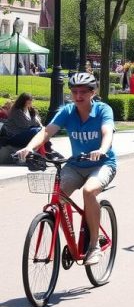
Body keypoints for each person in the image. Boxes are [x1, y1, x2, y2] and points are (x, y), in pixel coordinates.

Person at [15, 72, 116, 266]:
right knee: (58, 195)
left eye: (83, 92)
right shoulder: (68, 111)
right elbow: (46, 131)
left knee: (89, 192)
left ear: (92, 93)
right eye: (74, 92)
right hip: (76, 164)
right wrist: (30, 147)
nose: (78, 96)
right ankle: (71, 240)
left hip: (102, 163)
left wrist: (102, 149)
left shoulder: (103, 110)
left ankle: (94, 245)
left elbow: (107, 132)